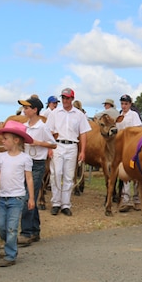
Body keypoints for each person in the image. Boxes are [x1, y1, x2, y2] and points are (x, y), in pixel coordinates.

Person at [0, 120, 34, 266]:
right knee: (0, 226)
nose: (2, 141)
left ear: (16, 140)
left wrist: (31, 198)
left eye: (5, 138)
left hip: (17, 198)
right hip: (3, 198)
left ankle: (10, 255)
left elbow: (29, 179)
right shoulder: (0, 157)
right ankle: (10, 241)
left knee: (12, 227)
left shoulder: (25, 158)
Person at [17, 97, 56, 246]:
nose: (24, 110)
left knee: (27, 197)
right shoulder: (24, 126)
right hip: (25, 163)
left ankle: (26, 232)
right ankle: (34, 230)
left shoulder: (42, 127)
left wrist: (38, 143)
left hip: (37, 164)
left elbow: (53, 145)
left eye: (27, 108)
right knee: (28, 196)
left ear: (35, 110)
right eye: (24, 108)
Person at [45, 88, 89, 216]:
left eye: (67, 98)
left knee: (69, 176)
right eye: (63, 98)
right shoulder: (55, 113)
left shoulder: (79, 114)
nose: (65, 100)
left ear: (72, 99)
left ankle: (65, 204)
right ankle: (56, 203)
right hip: (58, 144)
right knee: (56, 174)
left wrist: (83, 151)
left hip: (72, 145)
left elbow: (83, 133)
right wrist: (49, 147)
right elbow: (48, 131)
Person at [116, 93, 142, 212]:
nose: (124, 106)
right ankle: (126, 199)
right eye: (122, 104)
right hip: (122, 146)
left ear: (130, 104)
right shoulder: (119, 116)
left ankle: (137, 199)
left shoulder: (134, 115)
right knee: (124, 173)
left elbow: (138, 130)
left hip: (132, 146)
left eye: (126, 104)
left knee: (136, 173)